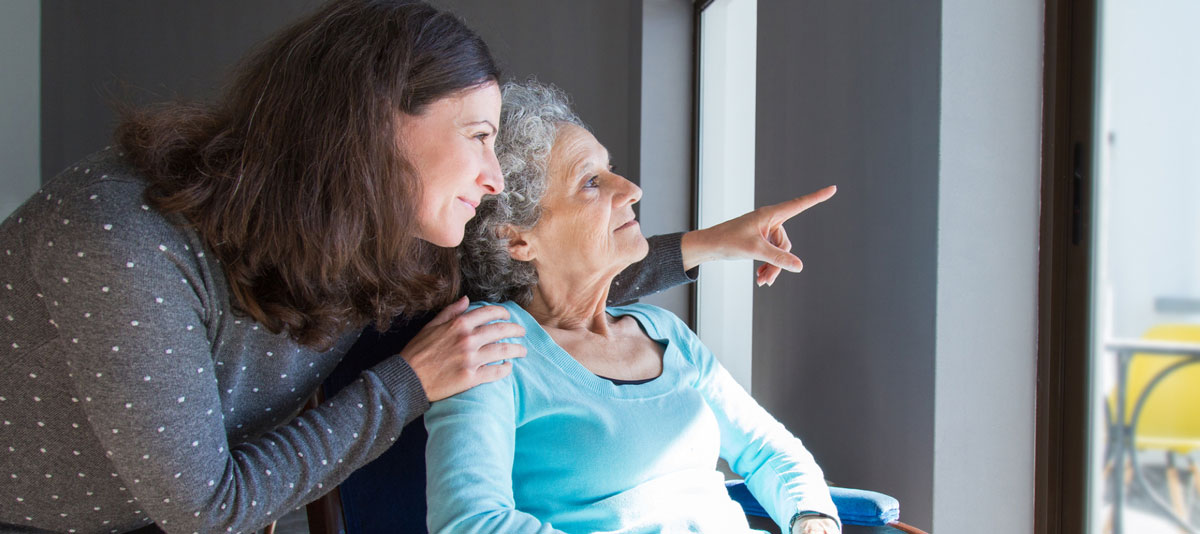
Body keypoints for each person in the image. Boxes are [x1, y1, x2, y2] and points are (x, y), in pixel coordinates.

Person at [0, 2, 824, 533]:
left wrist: (707, 247)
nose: (495, 179)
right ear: (373, 125)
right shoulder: (115, 242)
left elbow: (533, 288)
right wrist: (407, 382)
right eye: (476, 136)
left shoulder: (377, 243)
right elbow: (207, 504)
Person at [424, 81, 840, 534]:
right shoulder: (488, 347)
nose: (631, 189)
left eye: (612, 169)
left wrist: (812, 516)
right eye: (590, 183)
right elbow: (471, 523)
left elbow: (767, 449)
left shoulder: (663, 331)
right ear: (517, 238)